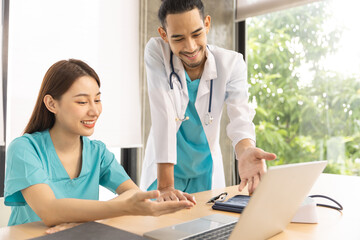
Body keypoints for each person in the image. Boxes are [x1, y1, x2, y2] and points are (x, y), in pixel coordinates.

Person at [4, 59, 194, 228]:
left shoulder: (97, 152)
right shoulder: (24, 149)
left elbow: (132, 193)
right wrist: (119, 208)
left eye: (97, 99)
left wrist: (78, 220)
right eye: (82, 102)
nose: (95, 111)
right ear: (52, 104)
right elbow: (50, 211)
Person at [140, 0, 277, 200]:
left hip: (205, 172)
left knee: (205, 228)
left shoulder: (231, 63)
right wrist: (166, 185)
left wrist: (246, 150)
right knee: (158, 229)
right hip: (164, 174)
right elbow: (163, 114)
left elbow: (240, 116)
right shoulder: (157, 52)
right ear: (164, 35)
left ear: (207, 24)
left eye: (196, 34)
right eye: (178, 38)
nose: (190, 46)